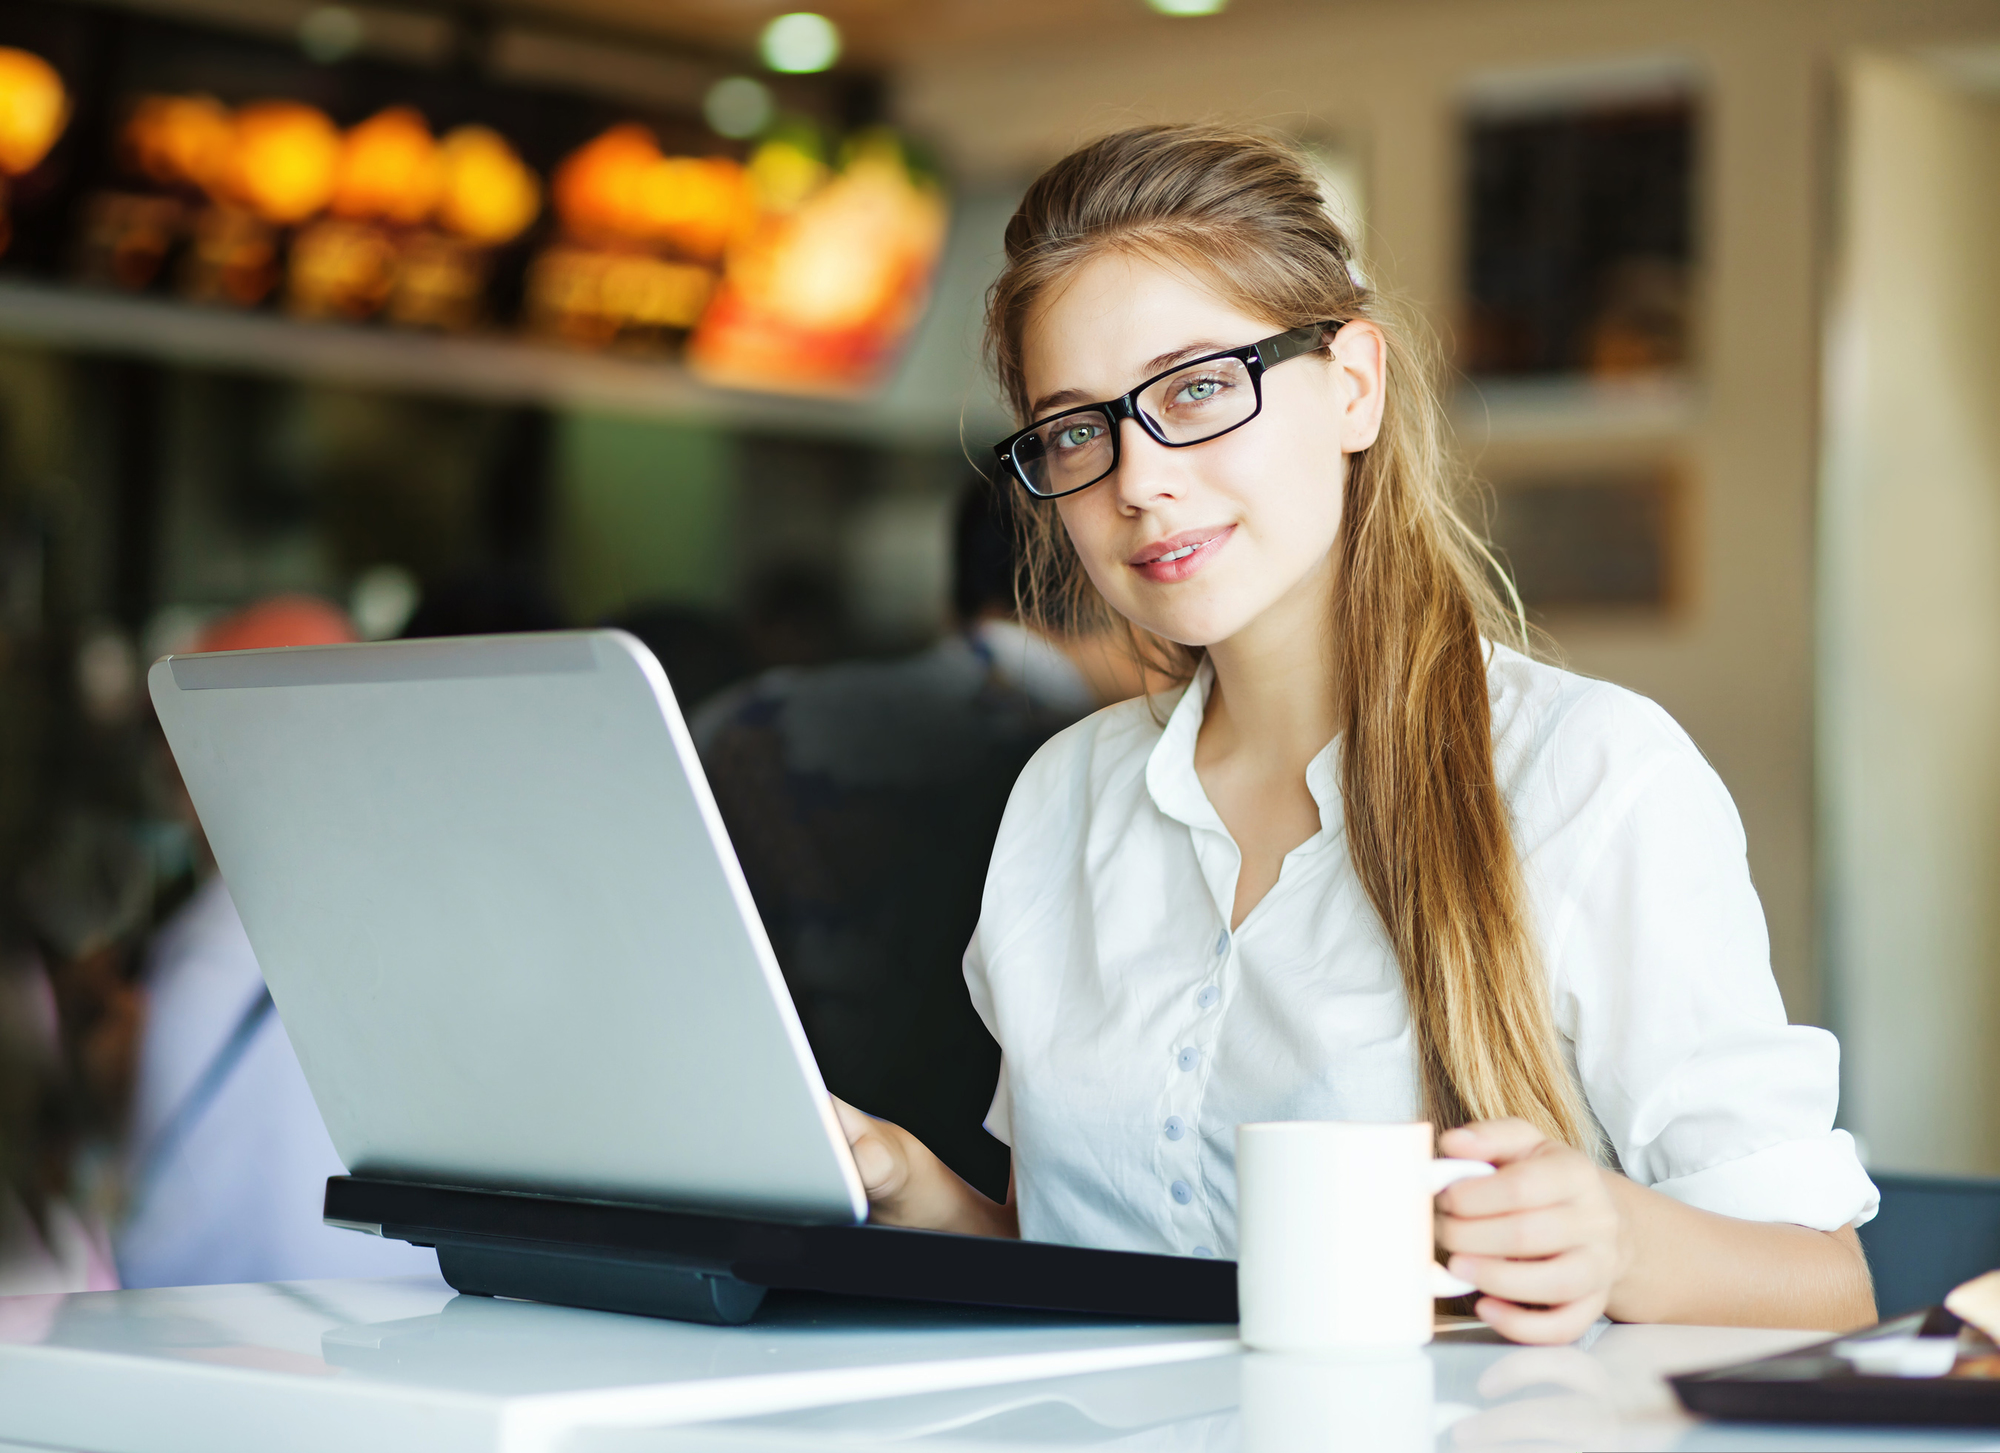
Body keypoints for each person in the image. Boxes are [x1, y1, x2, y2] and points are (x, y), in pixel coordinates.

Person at [830, 126, 1879, 1344]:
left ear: (1352, 385)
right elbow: (1084, 1270)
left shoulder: (1590, 773)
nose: (1137, 480)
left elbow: (1827, 1289)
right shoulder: (1063, 797)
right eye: (1075, 429)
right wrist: (911, 1186)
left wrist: (1616, 1238)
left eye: (1198, 388)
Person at [694, 481, 1141, 1198]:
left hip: (746, 1173)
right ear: (1141, 611)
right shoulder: (1116, 779)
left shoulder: (746, 724)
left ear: (951, 603)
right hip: (994, 1226)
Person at [115, 596, 438, 1288]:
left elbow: (173, 1231)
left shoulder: (218, 937)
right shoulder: (433, 920)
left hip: (208, 1350)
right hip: (384, 1351)